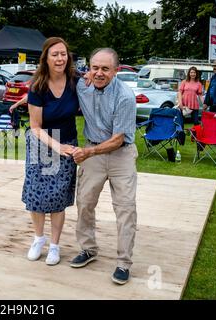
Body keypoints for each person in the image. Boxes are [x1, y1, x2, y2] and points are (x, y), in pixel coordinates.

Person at [70, 48, 137, 285]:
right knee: (85, 202)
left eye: (105, 69)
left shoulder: (125, 96)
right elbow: (54, 73)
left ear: (116, 71)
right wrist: (29, 97)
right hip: (93, 153)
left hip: (120, 155)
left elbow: (119, 138)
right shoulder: (82, 85)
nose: (98, 73)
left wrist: (89, 152)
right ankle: (88, 249)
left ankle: (123, 262)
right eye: (94, 67)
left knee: (125, 208)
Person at [22, 37, 80, 266]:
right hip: (42, 143)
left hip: (67, 143)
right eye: (55, 54)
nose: (60, 58)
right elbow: (35, 127)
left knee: (58, 197)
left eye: (63, 54)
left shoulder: (76, 81)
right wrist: (57, 146)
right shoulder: (37, 85)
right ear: (46, 58)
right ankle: (38, 238)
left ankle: (54, 246)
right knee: (37, 195)